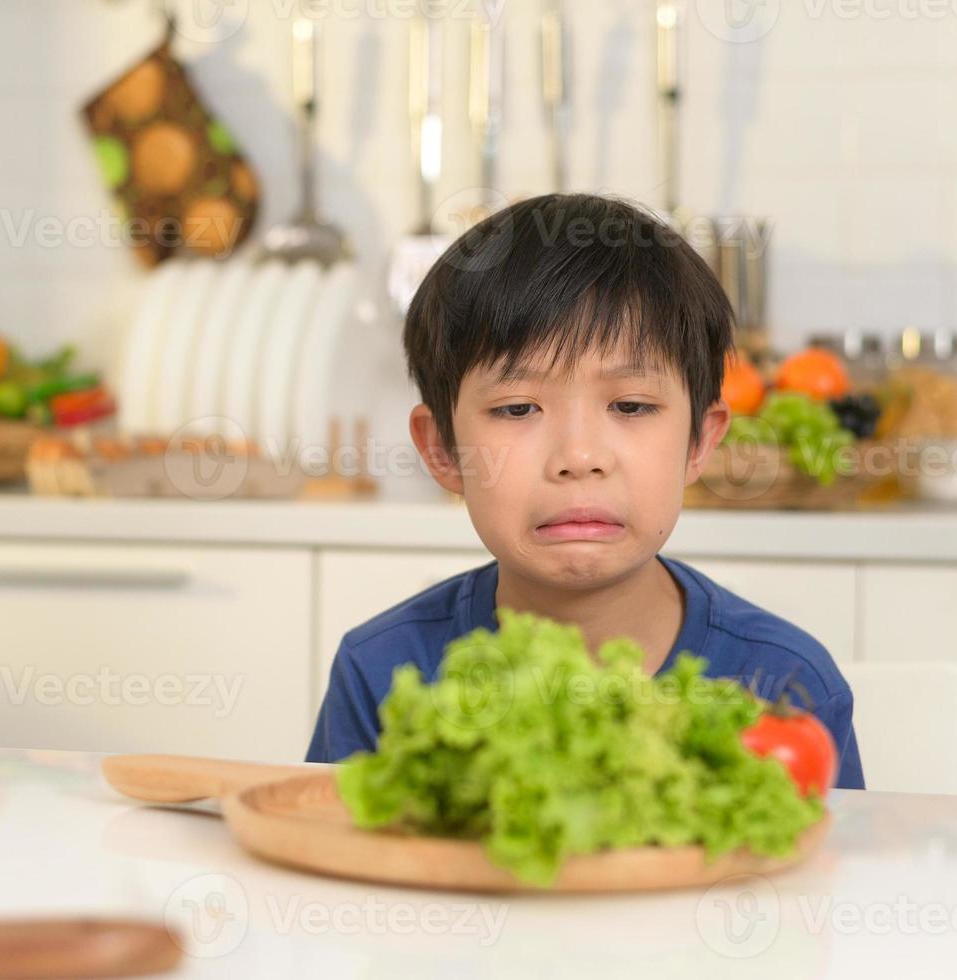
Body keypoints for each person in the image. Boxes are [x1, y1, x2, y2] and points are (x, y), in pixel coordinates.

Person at [306, 193, 863, 790]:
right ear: (442, 448)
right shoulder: (382, 673)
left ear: (699, 441)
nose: (578, 458)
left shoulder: (786, 685)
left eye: (631, 405)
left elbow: (833, 877)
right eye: (517, 407)